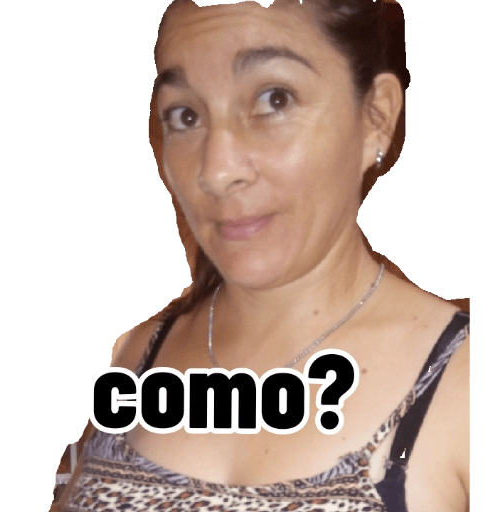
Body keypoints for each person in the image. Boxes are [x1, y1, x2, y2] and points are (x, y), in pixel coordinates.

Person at [52, 0, 470, 511]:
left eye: (275, 99)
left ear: (375, 118)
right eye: (186, 115)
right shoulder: (140, 356)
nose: (216, 170)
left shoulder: (458, 384)